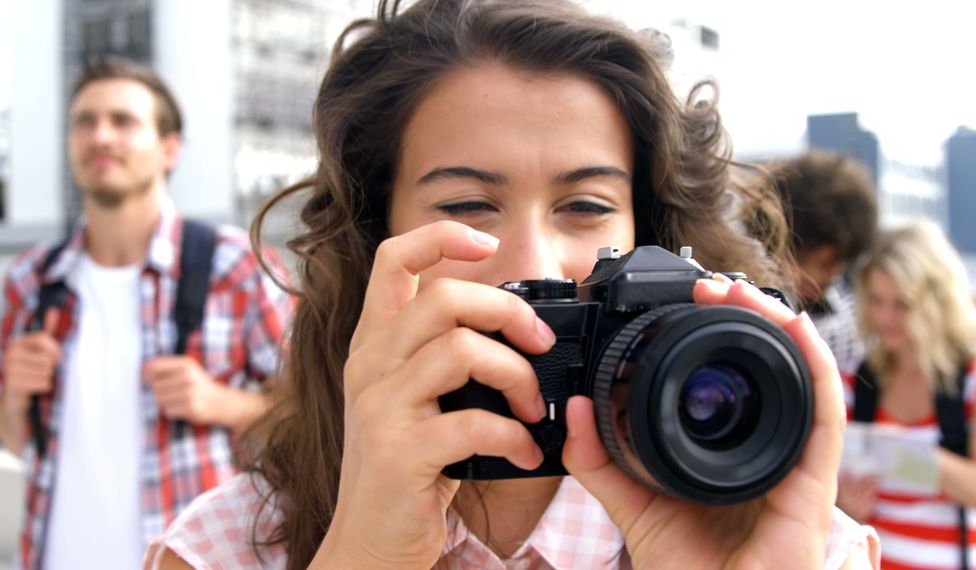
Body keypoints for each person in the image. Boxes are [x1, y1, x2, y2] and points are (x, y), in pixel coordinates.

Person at [146, 1, 879, 568]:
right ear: (374, 243)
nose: (532, 263)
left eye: (586, 207)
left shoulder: (794, 543)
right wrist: (364, 552)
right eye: (467, 206)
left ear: (653, 238)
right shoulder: (227, 548)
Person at [0, 55, 294, 569]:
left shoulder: (236, 265)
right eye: (85, 122)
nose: (101, 136)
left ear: (168, 149)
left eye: (123, 121)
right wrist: (15, 399)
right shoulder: (31, 279)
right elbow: (12, 437)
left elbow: (314, 408)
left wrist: (222, 403)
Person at [837, 219, 976, 569]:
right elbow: (832, 497)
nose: (886, 317)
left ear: (937, 301)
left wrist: (909, 453)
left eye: (901, 303)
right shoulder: (857, 380)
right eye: (876, 300)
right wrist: (847, 508)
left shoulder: (970, 376)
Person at [768, 151, 878, 375]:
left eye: (837, 262)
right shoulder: (746, 302)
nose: (826, 276)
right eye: (822, 262)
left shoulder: (854, 320)